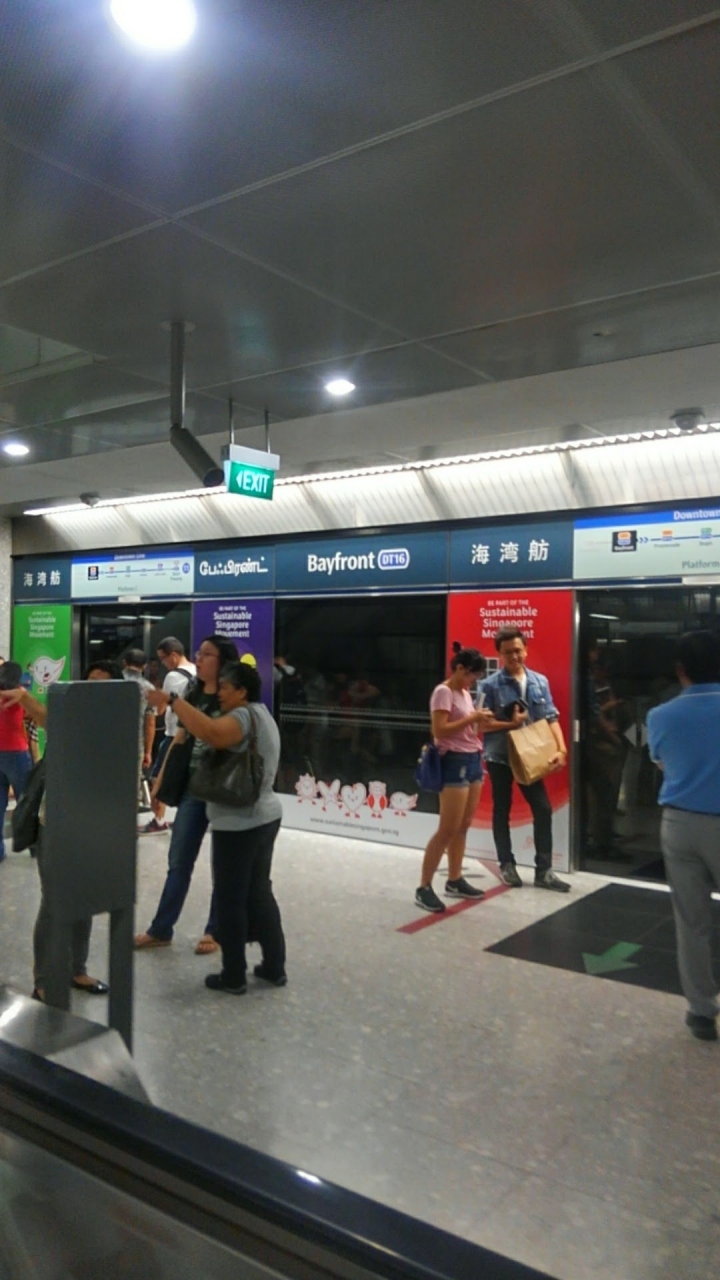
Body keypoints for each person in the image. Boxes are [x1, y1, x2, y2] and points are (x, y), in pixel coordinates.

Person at [148, 660, 286, 994]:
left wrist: (173, 702)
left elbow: (211, 733)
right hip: (264, 816)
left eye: (225, 687)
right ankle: (273, 967)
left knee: (230, 898)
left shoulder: (242, 717)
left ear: (242, 691)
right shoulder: (262, 714)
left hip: (240, 822)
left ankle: (233, 975)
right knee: (258, 893)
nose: (220, 693)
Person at [0, 666, 113, 1001]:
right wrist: (24, 698)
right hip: (56, 824)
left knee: (84, 899)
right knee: (53, 902)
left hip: (91, 826)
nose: (91, 691)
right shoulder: (70, 719)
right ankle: (44, 981)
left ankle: (77, 969)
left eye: (101, 686)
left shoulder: (115, 727)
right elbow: (52, 724)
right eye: (88, 683)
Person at [134, 634, 238, 956]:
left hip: (223, 789)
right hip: (194, 788)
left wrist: (171, 701)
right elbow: (181, 736)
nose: (199, 658)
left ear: (223, 661)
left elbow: (216, 734)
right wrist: (161, 777)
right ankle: (161, 929)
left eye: (207, 654)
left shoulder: (233, 695)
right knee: (178, 860)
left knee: (224, 865)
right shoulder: (194, 690)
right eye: (199, 653)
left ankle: (214, 930)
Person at [647, 630, 720, 1042]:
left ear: (680, 670)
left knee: (691, 921)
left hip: (680, 826)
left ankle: (701, 1011)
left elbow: (661, 762)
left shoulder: (661, 715)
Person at [480, 627, 570, 892]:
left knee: (542, 808)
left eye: (518, 650)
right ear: (499, 654)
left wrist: (562, 749)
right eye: (507, 652)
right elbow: (480, 726)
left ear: (526, 650)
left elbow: (551, 717)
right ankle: (506, 864)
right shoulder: (489, 685)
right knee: (502, 809)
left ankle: (544, 871)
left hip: (530, 756)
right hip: (499, 755)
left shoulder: (540, 682)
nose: (514, 656)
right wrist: (509, 723)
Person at [415, 648, 494, 913]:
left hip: (472, 758)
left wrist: (489, 721)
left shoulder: (464, 693)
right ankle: (424, 887)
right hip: (453, 761)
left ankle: (455, 879)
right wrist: (473, 717)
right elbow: (439, 729)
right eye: (471, 675)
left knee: (463, 825)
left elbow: (470, 729)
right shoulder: (444, 691)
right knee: (447, 828)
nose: (472, 681)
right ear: (459, 668)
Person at [140, 636, 196, 834]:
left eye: (163, 658)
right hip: (191, 733)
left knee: (158, 778)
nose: (162, 663)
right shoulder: (195, 671)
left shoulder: (172, 677)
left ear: (173, 655)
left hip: (173, 734)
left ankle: (158, 820)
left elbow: (162, 708)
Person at [0, 662, 33, 862]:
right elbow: (31, 715)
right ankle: (35, 847)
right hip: (16, 753)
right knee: (28, 801)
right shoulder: (21, 693)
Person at [121, 648, 156, 776]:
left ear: (124, 663)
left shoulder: (112, 681)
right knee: (133, 779)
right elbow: (150, 723)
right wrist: (148, 752)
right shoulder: (149, 688)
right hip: (135, 744)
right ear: (145, 666)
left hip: (107, 740)